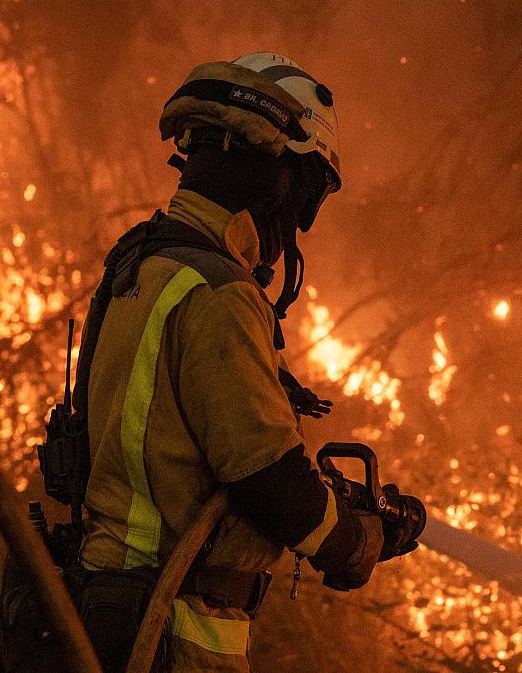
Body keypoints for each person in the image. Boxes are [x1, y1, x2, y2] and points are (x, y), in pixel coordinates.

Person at [68, 53, 418, 671]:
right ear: (277, 173)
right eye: (309, 188)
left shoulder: (144, 266)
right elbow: (269, 484)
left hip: (107, 609)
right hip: (170, 631)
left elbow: (183, 451)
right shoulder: (216, 294)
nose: (301, 221)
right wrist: (359, 541)